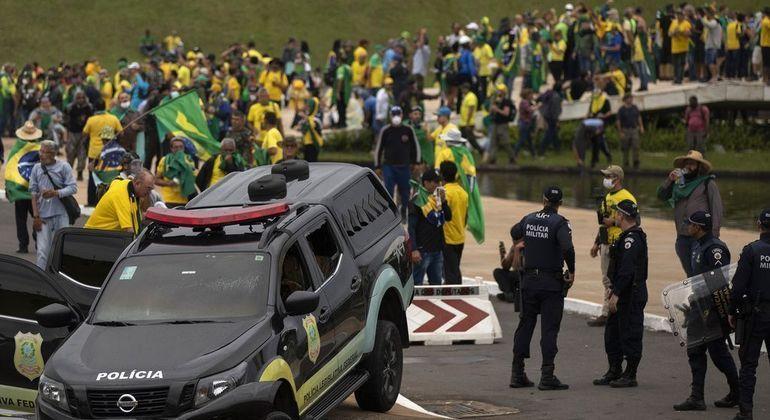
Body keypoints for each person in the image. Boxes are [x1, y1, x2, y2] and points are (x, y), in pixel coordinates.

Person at [510, 186, 575, 391]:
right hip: (550, 283)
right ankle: (547, 375)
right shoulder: (560, 222)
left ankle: (517, 373)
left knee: (525, 325)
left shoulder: (529, 219)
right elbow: (567, 247)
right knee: (549, 329)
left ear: (543, 199)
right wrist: (572, 270)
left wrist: (521, 245)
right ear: (560, 203)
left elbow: (514, 231)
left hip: (529, 281)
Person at [673, 211, 739, 411]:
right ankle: (697, 397)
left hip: (711, 309)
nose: (687, 227)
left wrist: (711, 309)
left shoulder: (714, 249)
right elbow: (697, 278)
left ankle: (737, 392)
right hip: (698, 306)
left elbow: (718, 283)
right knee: (695, 350)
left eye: (690, 224)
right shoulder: (697, 245)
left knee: (718, 353)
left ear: (699, 227)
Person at [593, 199, 648, 388]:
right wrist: (611, 288)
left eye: (617, 213)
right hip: (620, 290)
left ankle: (630, 374)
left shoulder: (632, 239)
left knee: (630, 333)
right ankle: (614, 369)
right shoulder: (624, 237)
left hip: (631, 293)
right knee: (612, 333)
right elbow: (616, 267)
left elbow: (627, 270)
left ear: (622, 216)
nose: (614, 216)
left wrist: (616, 294)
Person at [729, 209, 770, 420]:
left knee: (748, 365)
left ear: (759, 224)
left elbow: (737, 288)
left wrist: (732, 312)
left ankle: (746, 412)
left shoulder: (751, 251)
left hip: (755, 314)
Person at [657, 150, 723, 277]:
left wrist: (714, 237)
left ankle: (707, 291)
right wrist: (669, 180)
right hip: (682, 237)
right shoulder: (678, 184)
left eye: (692, 164)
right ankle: (695, 290)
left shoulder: (707, 183)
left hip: (701, 237)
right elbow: (661, 195)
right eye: (686, 163)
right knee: (691, 275)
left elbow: (717, 210)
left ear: (699, 167)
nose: (688, 166)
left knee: (702, 273)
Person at [588, 165, 636, 327]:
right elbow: (604, 222)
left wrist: (614, 222)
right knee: (607, 279)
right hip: (606, 243)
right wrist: (597, 243)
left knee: (617, 278)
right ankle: (608, 311)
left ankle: (610, 312)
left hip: (620, 243)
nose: (606, 179)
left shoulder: (627, 197)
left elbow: (635, 220)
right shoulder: (607, 197)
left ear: (617, 178)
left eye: (608, 176)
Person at [29, 140, 78, 268]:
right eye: (40, 151)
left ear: (53, 154)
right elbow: (33, 193)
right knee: (42, 252)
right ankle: (40, 277)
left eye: (45, 152)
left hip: (61, 215)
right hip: (42, 217)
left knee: (61, 249)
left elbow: (73, 188)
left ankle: (58, 276)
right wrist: (36, 216)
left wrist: (56, 193)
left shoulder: (64, 167)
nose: (41, 154)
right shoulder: (36, 168)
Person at [374, 106, 420, 220]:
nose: (396, 117)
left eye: (398, 114)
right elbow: (379, 148)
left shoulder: (408, 130)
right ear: (390, 116)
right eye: (394, 114)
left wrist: (416, 162)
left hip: (404, 167)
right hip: (389, 166)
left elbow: (415, 147)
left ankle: (404, 210)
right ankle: (391, 214)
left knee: (405, 191)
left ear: (402, 115)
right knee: (388, 191)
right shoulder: (385, 130)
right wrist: (377, 165)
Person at [409, 169, 451, 286]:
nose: (438, 185)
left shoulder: (437, 199)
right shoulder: (417, 200)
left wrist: (444, 202)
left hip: (437, 250)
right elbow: (411, 227)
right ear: (426, 183)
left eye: (439, 182)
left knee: (436, 285)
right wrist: (414, 249)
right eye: (435, 182)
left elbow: (448, 217)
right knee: (416, 285)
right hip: (422, 251)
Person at [6, 121, 43, 254]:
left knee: (21, 219)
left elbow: (10, 170)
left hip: (20, 191)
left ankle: (23, 245)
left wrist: (9, 188)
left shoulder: (16, 149)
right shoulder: (40, 148)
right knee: (38, 216)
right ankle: (39, 241)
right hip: (36, 192)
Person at [84, 169, 155, 236]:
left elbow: (116, 180)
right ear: (137, 183)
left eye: (151, 189)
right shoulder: (123, 197)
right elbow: (129, 232)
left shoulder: (127, 185)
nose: (149, 192)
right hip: (94, 236)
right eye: (148, 188)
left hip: (104, 235)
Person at [82, 101, 123, 206]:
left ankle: (92, 201)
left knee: (93, 177)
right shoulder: (113, 118)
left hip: (94, 153)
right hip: (112, 152)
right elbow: (121, 132)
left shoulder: (91, 119)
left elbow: (84, 133)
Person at [440, 160, 468, 285]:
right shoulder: (463, 193)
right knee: (455, 269)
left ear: (442, 175)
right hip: (460, 237)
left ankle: (454, 294)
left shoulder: (443, 193)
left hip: (447, 237)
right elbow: (466, 216)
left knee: (450, 272)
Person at [155, 136, 197, 207]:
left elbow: (193, 179)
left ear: (184, 148)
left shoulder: (189, 160)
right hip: (168, 199)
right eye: (176, 147)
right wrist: (168, 183)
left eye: (181, 147)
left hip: (185, 200)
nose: (179, 149)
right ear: (171, 148)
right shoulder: (165, 160)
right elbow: (156, 180)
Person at [64, 90, 93, 181]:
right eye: (78, 98)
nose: (80, 99)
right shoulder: (70, 107)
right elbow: (65, 120)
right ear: (75, 98)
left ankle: (80, 173)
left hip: (84, 134)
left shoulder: (89, 107)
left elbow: (91, 120)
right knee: (70, 153)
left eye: (82, 97)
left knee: (82, 154)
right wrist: (66, 134)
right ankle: (68, 174)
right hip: (72, 133)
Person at [485, 84, 516, 164]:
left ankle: (512, 157)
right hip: (495, 123)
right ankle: (492, 159)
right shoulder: (496, 101)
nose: (498, 92)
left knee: (505, 142)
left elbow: (506, 113)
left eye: (500, 90)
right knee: (494, 142)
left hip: (502, 124)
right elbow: (491, 112)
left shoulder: (506, 102)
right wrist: (492, 108)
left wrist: (497, 110)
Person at [616, 94, 644, 169]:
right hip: (625, 130)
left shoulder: (635, 107)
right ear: (625, 99)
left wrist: (641, 126)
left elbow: (639, 117)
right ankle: (626, 163)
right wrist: (620, 132)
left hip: (634, 129)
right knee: (625, 147)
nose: (631, 100)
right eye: (629, 98)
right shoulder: (621, 109)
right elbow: (618, 121)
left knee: (636, 146)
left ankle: (636, 162)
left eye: (631, 98)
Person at [294, 97, 323, 162]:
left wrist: (306, 118)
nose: (307, 109)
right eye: (307, 107)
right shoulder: (308, 117)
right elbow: (300, 127)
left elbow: (313, 125)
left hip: (314, 144)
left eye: (309, 107)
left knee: (312, 162)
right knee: (306, 162)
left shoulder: (317, 118)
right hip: (306, 144)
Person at [537, 84, 563, 156]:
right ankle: (542, 150)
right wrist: (556, 119)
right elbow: (555, 109)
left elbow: (539, 98)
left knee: (554, 132)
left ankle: (557, 148)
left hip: (545, 114)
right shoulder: (556, 97)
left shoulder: (549, 93)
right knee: (550, 133)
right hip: (551, 116)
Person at [669, 9, 692, 84]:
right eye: (678, 15)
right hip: (674, 47)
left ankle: (679, 79)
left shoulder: (686, 23)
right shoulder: (673, 22)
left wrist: (681, 32)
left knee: (681, 64)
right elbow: (669, 33)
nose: (679, 16)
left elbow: (689, 34)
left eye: (680, 15)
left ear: (683, 16)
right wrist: (674, 32)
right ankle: (675, 78)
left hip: (683, 47)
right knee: (675, 64)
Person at [458, 83, 481, 153]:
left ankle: (481, 151)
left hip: (468, 123)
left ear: (466, 89)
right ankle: (464, 153)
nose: (461, 91)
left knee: (471, 139)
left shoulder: (471, 97)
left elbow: (471, 109)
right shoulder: (466, 96)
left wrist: (467, 122)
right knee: (463, 139)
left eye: (462, 89)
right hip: (463, 123)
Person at [514, 88, 536, 160]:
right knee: (521, 140)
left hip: (527, 123)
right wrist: (537, 107)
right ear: (527, 95)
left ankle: (533, 155)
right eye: (531, 94)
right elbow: (529, 110)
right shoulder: (524, 102)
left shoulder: (527, 102)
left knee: (529, 140)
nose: (532, 96)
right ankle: (515, 154)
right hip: (524, 123)